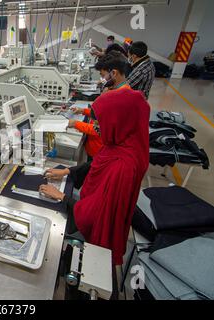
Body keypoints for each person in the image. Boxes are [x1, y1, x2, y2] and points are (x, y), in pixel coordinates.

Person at [41, 53, 151, 267]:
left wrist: (62, 196)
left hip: (96, 238)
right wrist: (68, 172)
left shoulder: (123, 167)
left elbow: (95, 215)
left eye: (103, 121)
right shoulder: (124, 144)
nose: (101, 126)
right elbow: (98, 163)